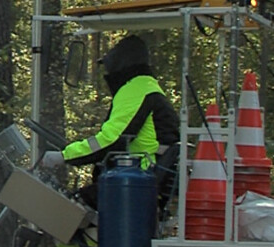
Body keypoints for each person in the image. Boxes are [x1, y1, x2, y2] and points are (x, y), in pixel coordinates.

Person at [42, 35, 179, 209]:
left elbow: (111, 140)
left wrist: (64, 156)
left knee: (67, 209)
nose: (107, 73)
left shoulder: (135, 90)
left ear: (120, 64)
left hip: (135, 179)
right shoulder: (147, 86)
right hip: (145, 177)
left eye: (108, 67)